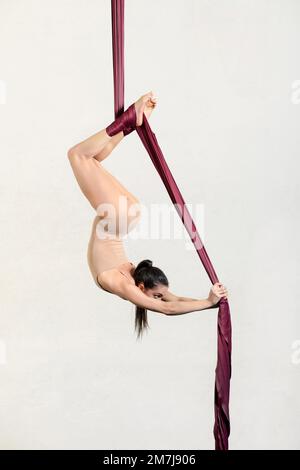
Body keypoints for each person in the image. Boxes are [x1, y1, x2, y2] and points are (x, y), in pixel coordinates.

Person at [67, 91, 228, 338]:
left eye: (157, 295)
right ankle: (130, 118)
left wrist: (207, 301)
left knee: (92, 159)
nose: (159, 298)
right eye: (156, 294)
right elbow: (167, 306)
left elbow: (169, 301)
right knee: (78, 155)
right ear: (143, 286)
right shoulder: (130, 283)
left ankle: (132, 121)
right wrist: (207, 302)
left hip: (126, 214)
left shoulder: (128, 282)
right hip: (117, 216)